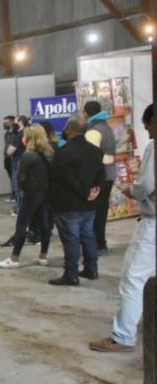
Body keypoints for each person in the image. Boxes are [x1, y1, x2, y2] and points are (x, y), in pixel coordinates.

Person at [90, 104, 155, 352]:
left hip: (152, 224)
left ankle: (124, 336)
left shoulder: (154, 147)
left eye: (147, 126)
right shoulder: (107, 130)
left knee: (133, 278)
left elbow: (145, 185)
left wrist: (131, 190)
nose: (147, 132)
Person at [48, 116, 105, 286]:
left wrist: (84, 193)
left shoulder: (63, 153)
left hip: (68, 203)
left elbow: (67, 179)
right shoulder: (96, 151)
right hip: (90, 203)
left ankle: (71, 274)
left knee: (71, 240)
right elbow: (101, 175)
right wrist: (94, 191)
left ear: (69, 129)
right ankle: (91, 269)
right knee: (88, 236)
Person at [0, 124, 55, 269]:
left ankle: (14, 258)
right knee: (44, 225)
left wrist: (23, 190)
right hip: (45, 194)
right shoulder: (49, 153)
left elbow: (21, 178)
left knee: (22, 225)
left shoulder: (28, 155)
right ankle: (43, 256)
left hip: (31, 195)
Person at [84, 100, 118, 255]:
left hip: (99, 177)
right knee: (101, 210)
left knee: (95, 212)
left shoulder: (94, 131)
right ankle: (100, 244)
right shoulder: (106, 127)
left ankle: (98, 245)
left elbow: (91, 158)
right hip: (109, 174)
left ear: (86, 113)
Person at [7, 116, 29, 215]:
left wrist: (8, 150)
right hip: (25, 162)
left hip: (18, 163)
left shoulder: (20, 134)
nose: (13, 124)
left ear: (20, 122)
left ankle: (19, 209)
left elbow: (10, 150)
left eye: (15, 121)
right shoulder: (28, 132)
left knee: (18, 187)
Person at [3, 115, 17, 203]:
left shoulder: (16, 134)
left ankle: (16, 196)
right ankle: (13, 195)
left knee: (15, 177)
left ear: (12, 122)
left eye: (6, 122)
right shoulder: (6, 134)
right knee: (11, 177)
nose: (4, 124)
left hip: (14, 158)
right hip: (7, 158)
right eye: (4, 123)